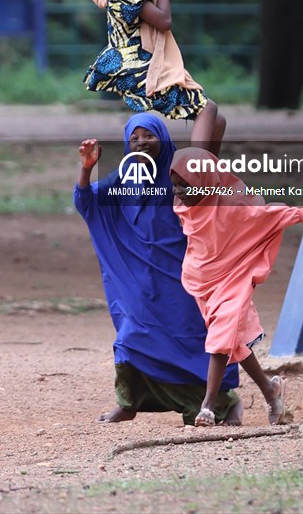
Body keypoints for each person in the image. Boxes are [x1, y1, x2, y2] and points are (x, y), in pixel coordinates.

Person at [74, 114, 242, 425]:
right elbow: (87, 202)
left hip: (180, 274)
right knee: (131, 335)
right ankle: (128, 402)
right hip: (137, 275)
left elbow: (211, 152)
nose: (141, 142)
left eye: (148, 136)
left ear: (163, 138)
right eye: (134, 138)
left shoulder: (177, 171)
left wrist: (201, 109)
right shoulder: (124, 178)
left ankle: (225, 402)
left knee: (189, 341)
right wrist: (87, 168)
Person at [169, 147, 303, 427]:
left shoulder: (232, 206)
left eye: (186, 184)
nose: (179, 191)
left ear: (205, 181)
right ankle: (270, 390)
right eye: (175, 184)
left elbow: (273, 215)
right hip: (202, 282)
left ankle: (208, 406)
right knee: (235, 343)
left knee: (221, 337)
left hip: (232, 280)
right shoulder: (182, 206)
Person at [84, 0, 225, 155]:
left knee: (217, 121)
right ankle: (195, 177)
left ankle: (208, 178)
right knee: (207, 109)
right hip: (137, 64)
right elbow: (164, 20)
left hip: (154, 59)